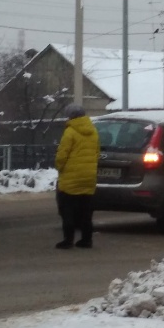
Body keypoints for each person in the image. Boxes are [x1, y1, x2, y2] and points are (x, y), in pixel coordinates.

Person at [54, 103, 100, 249]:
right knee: (86, 210)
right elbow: (97, 153)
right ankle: (87, 240)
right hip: (89, 176)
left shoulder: (70, 132)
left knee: (66, 208)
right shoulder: (93, 131)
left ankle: (68, 240)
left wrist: (59, 168)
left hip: (71, 177)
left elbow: (62, 155)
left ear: (71, 116)